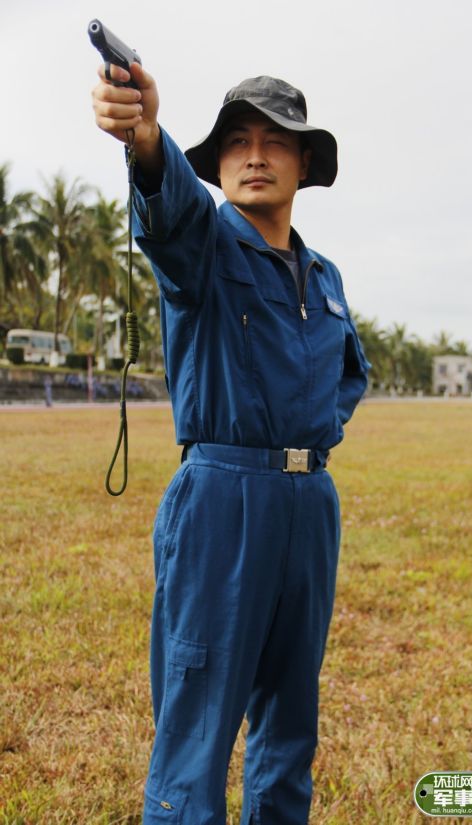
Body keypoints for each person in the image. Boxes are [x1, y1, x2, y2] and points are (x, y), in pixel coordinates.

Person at [92, 62, 369, 825]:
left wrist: (308, 440)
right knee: (200, 718)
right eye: (238, 142)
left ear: (304, 162)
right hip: (223, 498)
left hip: (310, 504)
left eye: (275, 141)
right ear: (216, 164)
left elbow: (351, 372)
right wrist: (146, 137)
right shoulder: (205, 248)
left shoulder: (325, 277)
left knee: (291, 714)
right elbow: (169, 207)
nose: (254, 155)